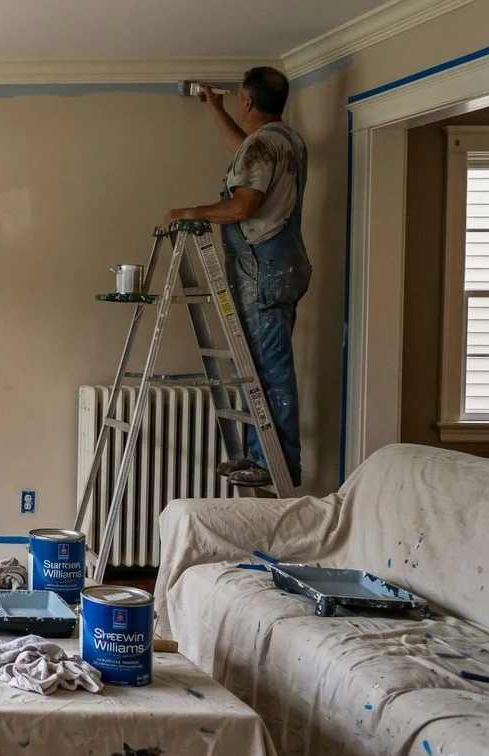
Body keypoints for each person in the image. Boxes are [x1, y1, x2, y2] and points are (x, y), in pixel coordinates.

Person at [163, 66, 311, 488]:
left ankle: (277, 463)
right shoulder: (285, 141)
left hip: (264, 268)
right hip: (283, 263)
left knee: (266, 368)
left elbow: (244, 206)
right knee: (258, 364)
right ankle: (258, 454)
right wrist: (215, 109)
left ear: (247, 101)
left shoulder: (263, 147)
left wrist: (188, 213)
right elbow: (247, 154)